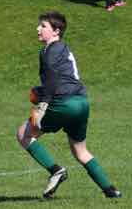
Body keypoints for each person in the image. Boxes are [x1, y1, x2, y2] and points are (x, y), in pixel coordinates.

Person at [16, 11, 122, 199]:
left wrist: (42, 104)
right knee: (80, 150)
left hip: (63, 103)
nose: (38, 29)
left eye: (43, 26)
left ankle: (56, 171)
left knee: (23, 134)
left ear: (56, 31)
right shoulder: (63, 48)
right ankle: (111, 191)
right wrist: (40, 92)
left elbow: (52, 78)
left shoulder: (49, 50)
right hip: (81, 103)